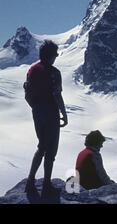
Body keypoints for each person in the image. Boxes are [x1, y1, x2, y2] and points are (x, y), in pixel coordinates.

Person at [24, 40, 68, 196]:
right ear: (51, 56)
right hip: (51, 114)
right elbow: (57, 94)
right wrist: (64, 113)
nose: (56, 57)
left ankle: (30, 181)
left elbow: (27, 94)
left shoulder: (32, 70)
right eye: (55, 54)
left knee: (41, 146)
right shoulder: (54, 72)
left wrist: (36, 108)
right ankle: (47, 183)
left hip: (37, 112)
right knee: (51, 150)